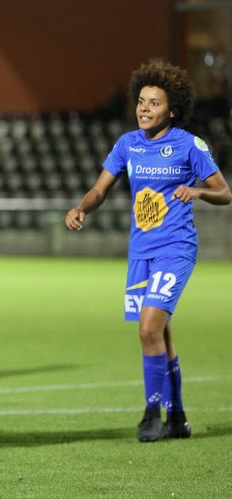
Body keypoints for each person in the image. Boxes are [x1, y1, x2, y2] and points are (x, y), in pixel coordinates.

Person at [65, 60, 231, 442]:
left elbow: (224, 191)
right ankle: (177, 418)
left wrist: (199, 191)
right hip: (141, 252)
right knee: (162, 335)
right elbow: (100, 189)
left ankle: (151, 415)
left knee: (148, 328)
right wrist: (81, 208)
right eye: (141, 101)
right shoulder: (128, 145)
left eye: (153, 103)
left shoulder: (189, 145)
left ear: (171, 110)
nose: (144, 109)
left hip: (176, 248)